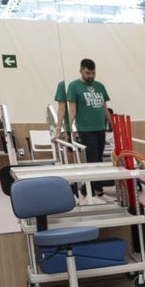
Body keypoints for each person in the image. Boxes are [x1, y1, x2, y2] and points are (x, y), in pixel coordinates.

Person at [60, 59, 114, 196]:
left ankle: (93, 188)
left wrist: (113, 124)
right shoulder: (74, 86)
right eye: (87, 73)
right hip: (85, 129)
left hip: (100, 128)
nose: (91, 76)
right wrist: (67, 129)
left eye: (93, 73)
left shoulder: (100, 86)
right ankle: (94, 189)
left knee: (99, 160)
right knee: (92, 160)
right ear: (81, 71)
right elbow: (71, 110)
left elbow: (104, 108)